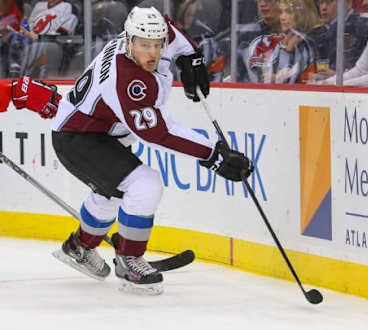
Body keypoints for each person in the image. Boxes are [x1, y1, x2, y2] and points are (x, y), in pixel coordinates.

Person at [12, 6, 253, 295]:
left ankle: (79, 247)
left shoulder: (144, 33)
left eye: (156, 45)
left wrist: (191, 56)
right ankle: (129, 260)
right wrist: (213, 155)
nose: (152, 53)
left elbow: (166, 25)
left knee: (109, 193)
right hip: (79, 137)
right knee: (144, 185)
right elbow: (157, 132)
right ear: (128, 41)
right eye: (144, 46)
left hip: (101, 129)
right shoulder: (127, 80)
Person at [243, 0, 318, 84]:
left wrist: (278, 78)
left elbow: (308, 82)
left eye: (288, 12)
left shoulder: (309, 45)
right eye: (281, 12)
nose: (282, 17)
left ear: (300, 15)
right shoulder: (269, 40)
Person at [16, 0, 78, 77]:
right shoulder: (38, 5)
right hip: (33, 41)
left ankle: (23, 78)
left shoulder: (68, 7)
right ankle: (16, 76)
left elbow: (62, 34)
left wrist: (38, 37)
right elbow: (29, 26)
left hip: (53, 44)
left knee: (39, 47)